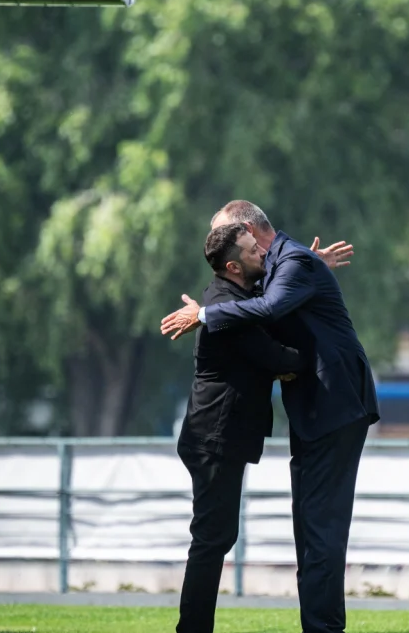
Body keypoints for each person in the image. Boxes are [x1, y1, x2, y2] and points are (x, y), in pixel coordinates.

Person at [160, 200, 375, 633]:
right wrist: (310, 266)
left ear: (247, 233)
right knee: (291, 531)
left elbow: (272, 307)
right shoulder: (269, 274)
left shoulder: (281, 269)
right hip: (299, 415)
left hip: (331, 408)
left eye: (228, 237)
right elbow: (271, 320)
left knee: (314, 531)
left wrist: (202, 316)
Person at [176, 223, 308, 633]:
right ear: (233, 265)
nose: (263, 254)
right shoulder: (227, 309)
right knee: (212, 539)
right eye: (253, 252)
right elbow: (279, 357)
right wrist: (307, 361)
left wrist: (310, 265)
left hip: (217, 437)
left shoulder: (231, 300)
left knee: (214, 537)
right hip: (214, 438)